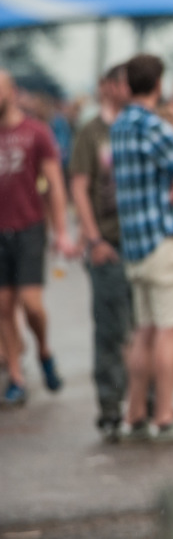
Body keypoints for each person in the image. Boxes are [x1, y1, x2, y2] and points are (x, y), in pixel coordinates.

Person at [111, 54, 173, 441]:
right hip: (161, 240)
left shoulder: (118, 125)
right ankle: (163, 415)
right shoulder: (155, 126)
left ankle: (133, 414)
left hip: (133, 243)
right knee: (170, 331)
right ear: (158, 83)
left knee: (144, 332)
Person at [0, 70, 74, 405]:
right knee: (2, 306)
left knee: (31, 306)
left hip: (29, 226)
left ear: (12, 92)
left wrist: (60, 230)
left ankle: (43, 349)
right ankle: (16, 375)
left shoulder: (36, 132)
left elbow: (55, 183)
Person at [69, 64, 132, 441]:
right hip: (106, 244)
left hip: (140, 242)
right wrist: (94, 240)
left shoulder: (138, 124)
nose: (126, 89)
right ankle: (110, 408)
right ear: (106, 88)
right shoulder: (91, 132)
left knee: (145, 329)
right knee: (110, 331)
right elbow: (79, 188)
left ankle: (148, 404)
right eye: (120, 82)